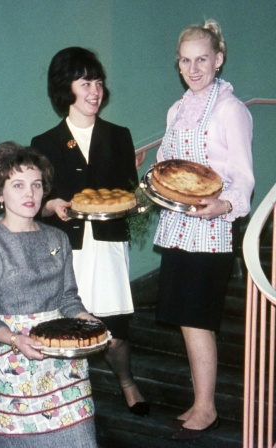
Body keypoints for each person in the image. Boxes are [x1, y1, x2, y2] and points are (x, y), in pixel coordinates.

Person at [31, 47, 148, 416]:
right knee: (66, 329)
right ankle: (66, 397)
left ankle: (127, 383)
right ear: (67, 88)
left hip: (108, 246)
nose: (95, 91)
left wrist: (139, 201)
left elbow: (128, 193)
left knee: (113, 329)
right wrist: (51, 205)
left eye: (98, 82)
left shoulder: (119, 136)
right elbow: (37, 202)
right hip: (66, 248)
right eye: (86, 83)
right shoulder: (44, 144)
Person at [153, 20, 254, 440]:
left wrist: (223, 205)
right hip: (178, 224)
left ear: (218, 59)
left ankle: (206, 408)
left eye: (202, 59)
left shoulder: (232, 110)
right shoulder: (177, 110)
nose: (194, 68)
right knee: (186, 320)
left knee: (198, 319)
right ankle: (200, 401)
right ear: (178, 65)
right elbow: (165, 163)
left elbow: (245, 179)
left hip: (212, 228)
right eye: (186, 61)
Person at [0, 142, 99, 448]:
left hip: (62, 363)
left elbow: (68, 299)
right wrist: (15, 339)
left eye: (36, 185)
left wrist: (86, 320)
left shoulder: (58, 238)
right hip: (13, 366)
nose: (30, 194)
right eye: (18, 185)